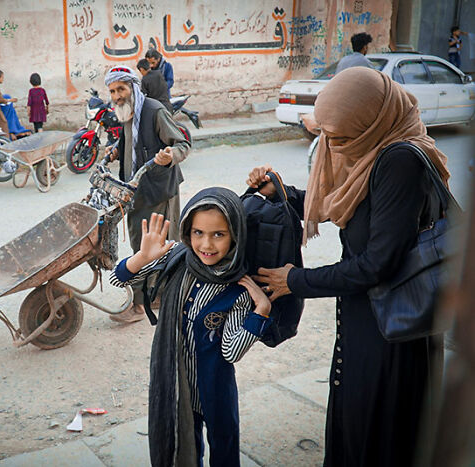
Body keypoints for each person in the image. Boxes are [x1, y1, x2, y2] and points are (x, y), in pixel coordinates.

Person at [248, 67, 449, 467]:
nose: (333, 147)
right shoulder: (373, 153)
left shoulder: (398, 161)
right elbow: (344, 203)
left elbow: (377, 263)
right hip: (368, 317)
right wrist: (283, 191)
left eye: (342, 138)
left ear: (372, 123)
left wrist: (297, 281)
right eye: (327, 135)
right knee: (356, 424)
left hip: (392, 330)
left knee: (379, 434)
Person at [109, 194, 272, 466]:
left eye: (218, 234)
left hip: (216, 388)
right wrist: (141, 257)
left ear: (236, 236)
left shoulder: (238, 288)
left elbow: (231, 351)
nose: (206, 244)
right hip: (176, 385)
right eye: (198, 232)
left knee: (224, 447)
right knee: (184, 443)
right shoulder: (177, 259)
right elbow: (117, 278)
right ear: (187, 231)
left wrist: (261, 311)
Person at [104, 65, 190, 323]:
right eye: (112, 91)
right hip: (135, 190)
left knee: (157, 245)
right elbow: (133, 142)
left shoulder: (153, 110)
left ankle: (142, 305)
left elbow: (182, 144)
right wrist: (117, 150)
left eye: (121, 89)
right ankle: (154, 296)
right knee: (140, 243)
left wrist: (169, 156)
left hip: (159, 191)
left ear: (132, 87)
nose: (117, 95)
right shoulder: (127, 112)